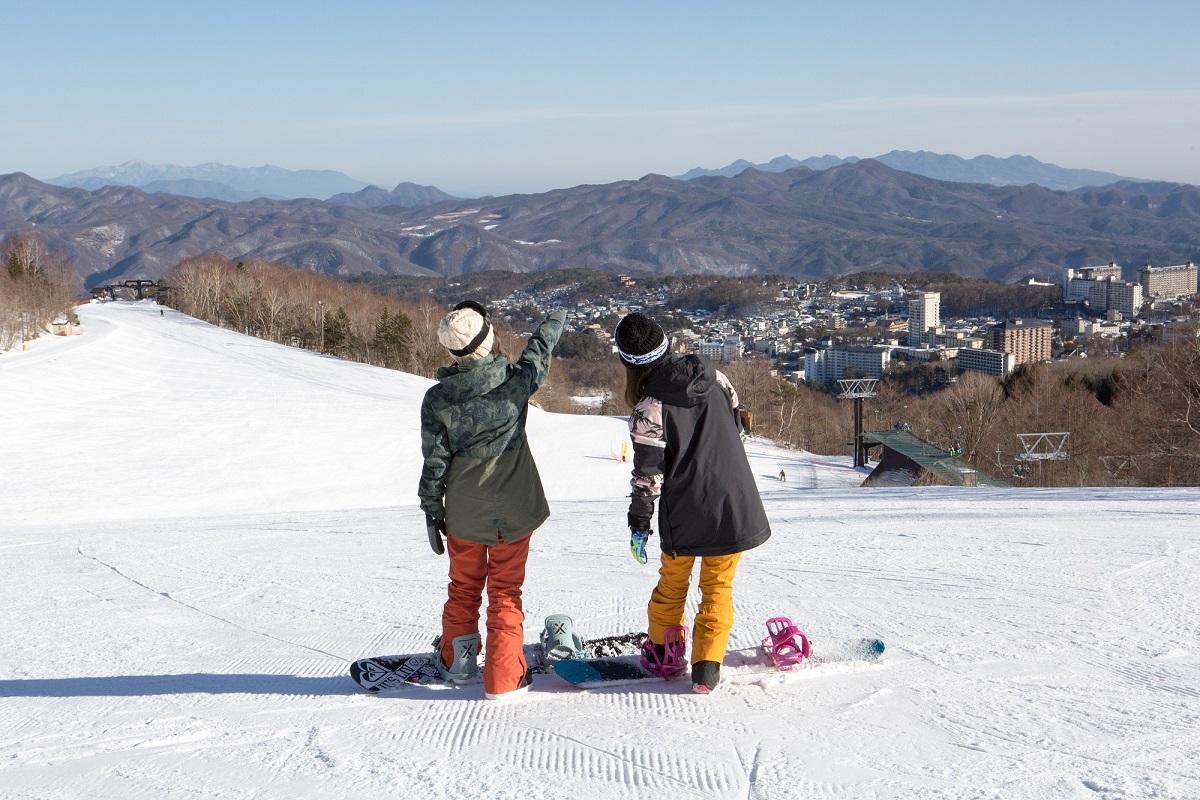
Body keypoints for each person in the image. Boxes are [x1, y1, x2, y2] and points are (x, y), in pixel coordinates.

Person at [615, 313, 771, 693]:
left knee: (672, 585)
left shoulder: (649, 410)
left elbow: (648, 476)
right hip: (733, 503)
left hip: (684, 508)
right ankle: (707, 667)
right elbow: (735, 429)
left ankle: (663, 653)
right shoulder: (716, 378)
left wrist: (639, 522)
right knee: (718, 587)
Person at [418, 301, 566, 700]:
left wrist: (432, 508)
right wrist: (552, 322)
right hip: (513, 510)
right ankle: (503, 676)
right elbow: (538, 354)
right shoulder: (514, 383)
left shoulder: (438, 400)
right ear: (489, 339)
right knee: (505, 590)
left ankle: (458, 660)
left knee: (463, 586)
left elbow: (435, 461)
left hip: (464, 512)